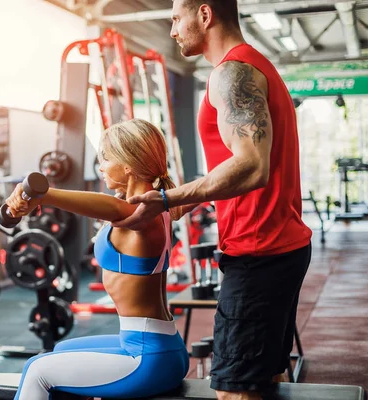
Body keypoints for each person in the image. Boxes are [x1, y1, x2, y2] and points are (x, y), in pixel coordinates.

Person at [112, 1, 313, 399]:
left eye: (175, 18)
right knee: (263, 381)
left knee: (234, 391)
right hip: (277, 248)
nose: (171, 30)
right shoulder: (251, 66)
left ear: (204, 15)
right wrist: (185, 201)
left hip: (259, 254)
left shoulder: (232, 73)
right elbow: (236, 169)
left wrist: (168, 199)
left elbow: (252, 166)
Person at [4, 118, 189, 400]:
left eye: (106, 158)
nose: (101, 166)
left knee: (37, 370)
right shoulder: (161, 206)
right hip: (160, 344)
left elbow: (113, 209)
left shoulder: (142, 213)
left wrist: (44, 194)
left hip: (146, 357)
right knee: (59, 351)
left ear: (128, 165)